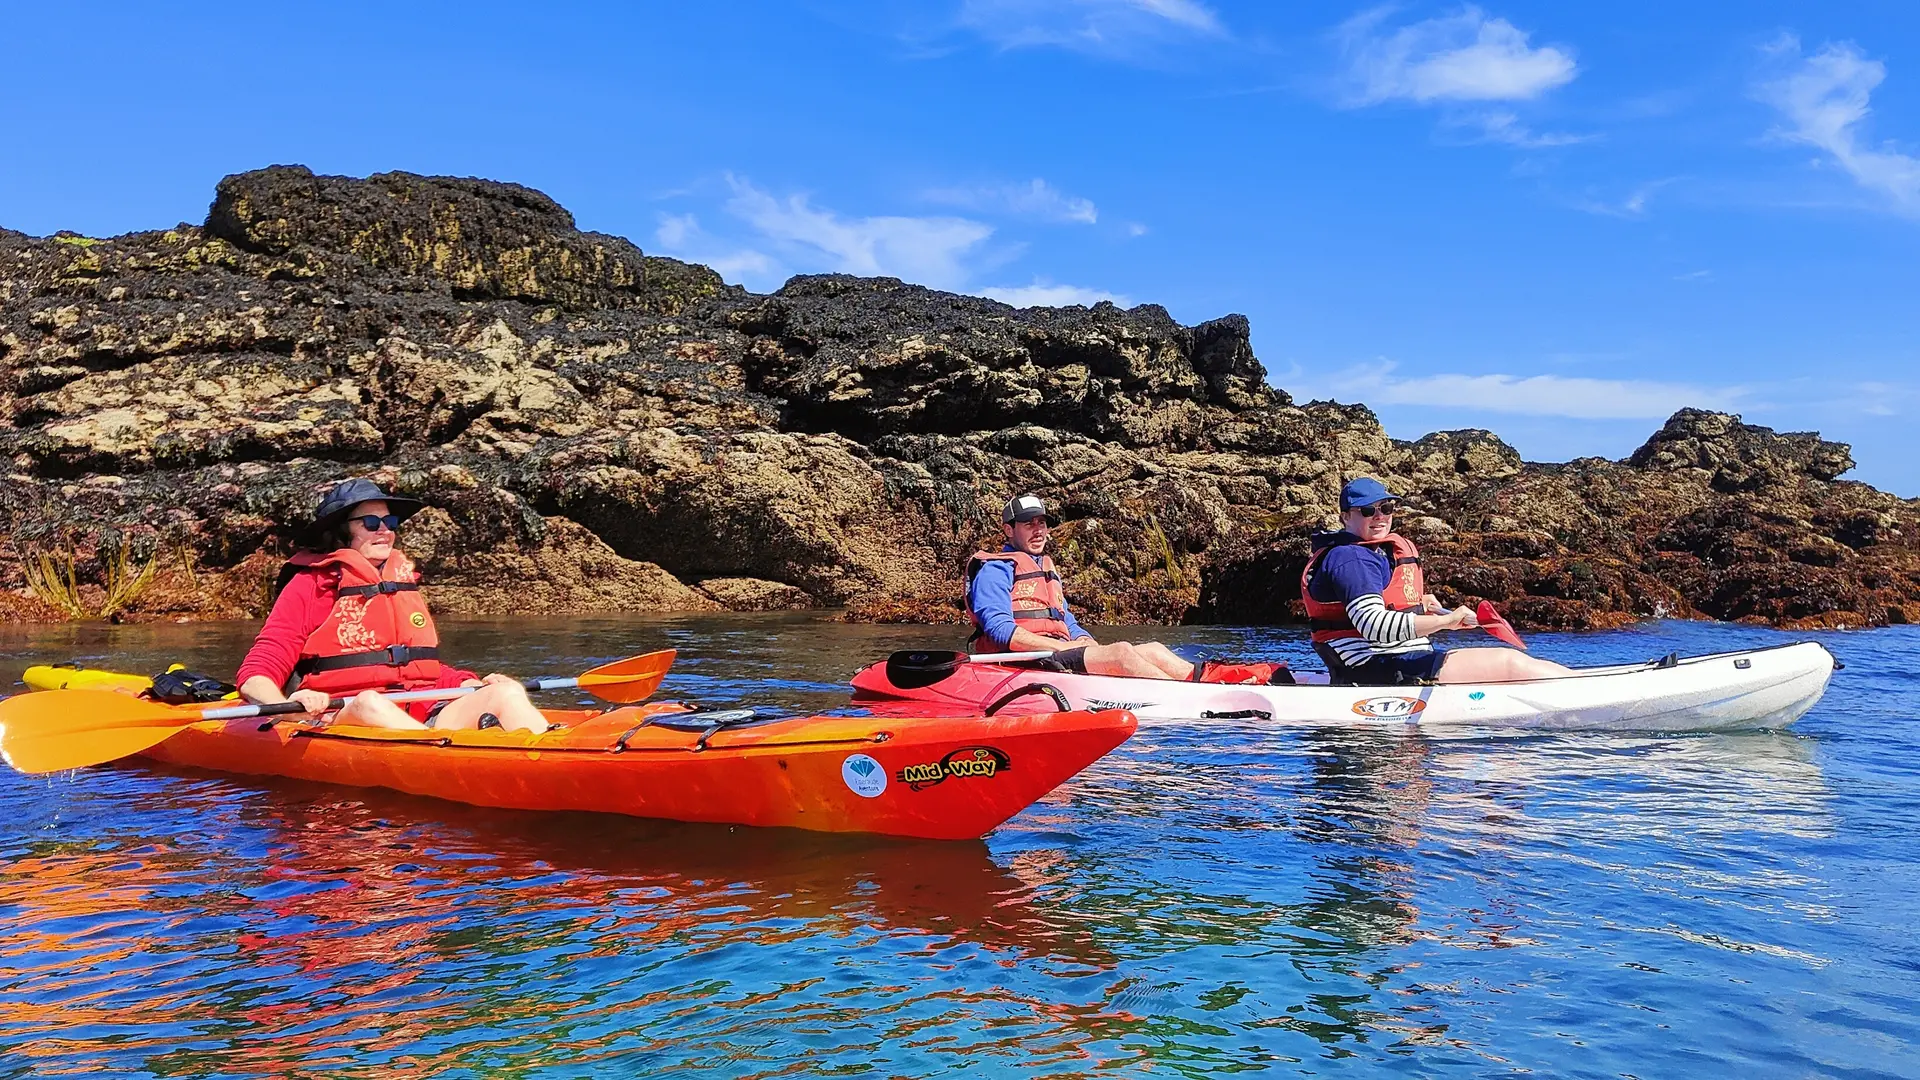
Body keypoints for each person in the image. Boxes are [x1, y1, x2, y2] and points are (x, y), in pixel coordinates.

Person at [234, 478, 549, 732]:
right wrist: (289, 709)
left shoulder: (400, 582)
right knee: (370, 702)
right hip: (344, 717)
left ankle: (552, 755)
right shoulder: (309, 585)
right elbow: (255, 674)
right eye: (371, 522)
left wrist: (466, 683)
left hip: (419, 718)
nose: (385, 530)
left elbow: (416, 669)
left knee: (505, 691)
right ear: (341, 530)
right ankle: (435, 758)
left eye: (390, 521)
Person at [1300, 477, 1574, 686]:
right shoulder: (1351, 558)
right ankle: (1581, 690)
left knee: (1512, 664)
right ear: (1345, 517)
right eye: (1368, 510)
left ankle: (1575, 683)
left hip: (1395, 661)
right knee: (1509, 662)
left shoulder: (1370, 553)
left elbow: (1376, 605)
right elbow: (1373, 626)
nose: (1380, 516)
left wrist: (1420, 606)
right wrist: (1446, 622)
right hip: (1377, 667)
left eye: (1386, 507)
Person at [964, 494, 1199, 680]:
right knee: (1121, 653)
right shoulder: (994, 570)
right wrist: (1062, 647)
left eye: (1042, 523)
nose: (1038, 531)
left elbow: (1067, 622)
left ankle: (1208, 682)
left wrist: (1085, 640)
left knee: (1154, 650)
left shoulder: (1045, 569)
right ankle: (1188, 701)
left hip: (1057, 654)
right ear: (1009, 530)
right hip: (1022, 661)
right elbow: (1000, 629)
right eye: (1028, 524)